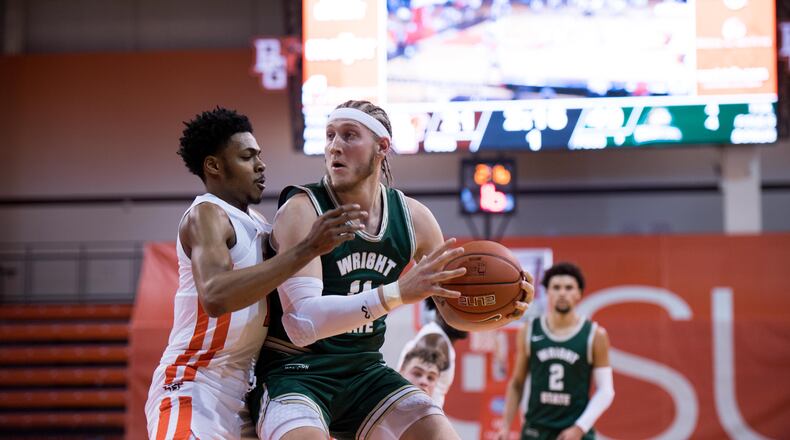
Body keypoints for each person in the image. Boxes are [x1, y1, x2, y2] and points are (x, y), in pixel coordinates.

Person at [248, 100, 535, 440]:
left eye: (349, 135)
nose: (335, 146)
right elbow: (302, 325)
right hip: (295, 370)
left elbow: (450, 311)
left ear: (382, 147)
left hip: (365, 370)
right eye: (330, 136)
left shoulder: (414, 219)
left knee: (440, 433)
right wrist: (397, 293)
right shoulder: (303, 209)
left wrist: (498, 311)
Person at [145, 106, 366, 439]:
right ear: (214, 166)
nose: (261, 165)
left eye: (259, 156)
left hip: (244, 393)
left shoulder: (261, 225)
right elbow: (216, 296)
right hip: (193, 384)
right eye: (247, 157)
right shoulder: (207, 215)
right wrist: (306, 248)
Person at [498, 263, 614, 440]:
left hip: (574, 430)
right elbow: (517, 384)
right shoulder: (529, 331)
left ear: (579, 294)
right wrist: (505, 426)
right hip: (536, 430)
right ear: (547, 293)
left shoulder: (594, 335)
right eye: (556, 287)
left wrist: (579, 428)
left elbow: (606, 390)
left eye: (568, 288)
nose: (562, 293)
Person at [395, 297, 467, 407]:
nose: (465, 317)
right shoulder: (436, 341)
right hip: (419, 419)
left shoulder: (436, 337)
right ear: (439, 310)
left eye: (467, 313)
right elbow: (416, 396)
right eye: (459, 311)